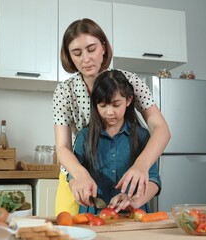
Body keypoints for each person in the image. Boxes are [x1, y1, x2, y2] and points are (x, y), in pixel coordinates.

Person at [53, 18, 170, 215]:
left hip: (126, 178)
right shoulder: (64, 91)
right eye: (77, 53)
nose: (86, 58)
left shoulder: (129, 81)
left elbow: (161, 129)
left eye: (91, 49)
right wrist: (80, 175)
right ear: (69, 56)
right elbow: (62, 147)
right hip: (77, 174)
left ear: (104, 48)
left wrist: (141, 165)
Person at [71, 69, 161, 213]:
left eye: (116, 104)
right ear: (95, 104)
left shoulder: (142, 136)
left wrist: (134, 201)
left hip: (133, 215)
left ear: (129, 100)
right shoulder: (84, 136)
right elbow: (73, 176)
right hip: (94, 215)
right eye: (102, 105)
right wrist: (77, 187)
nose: (109, 112)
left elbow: (154, 181)